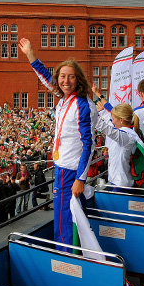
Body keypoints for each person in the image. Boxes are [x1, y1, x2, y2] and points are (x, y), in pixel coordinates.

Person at [19, 37, 95, 248]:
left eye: (71, 77)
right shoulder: (63, 99)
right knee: (69, 215)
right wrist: (30, 54)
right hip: (62, 167)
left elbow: (89, 145)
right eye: (62, 76)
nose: (65, 81)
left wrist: (80, 178)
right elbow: (45, 77)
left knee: (65, 218)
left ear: (78, 80)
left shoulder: (82, 105)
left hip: (71, 170)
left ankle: (66, 256)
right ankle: (73, 251)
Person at [91, 86, 140, 188]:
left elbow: (108, 129)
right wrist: (102, 112)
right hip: (118, 180)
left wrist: (91, 114)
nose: (113, 121)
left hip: (121, 183)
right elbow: (110, 122)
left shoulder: (126, 136)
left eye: (114, 119)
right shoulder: (128, 132)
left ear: (121, 120)